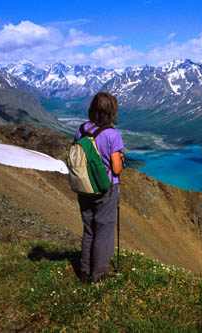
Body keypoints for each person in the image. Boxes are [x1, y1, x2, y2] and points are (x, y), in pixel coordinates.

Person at [74, 92, 124, 283]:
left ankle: (85, 271)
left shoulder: (82, 130)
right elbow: (116, 168)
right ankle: (98, 274)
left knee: (89, 229)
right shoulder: (113, 135)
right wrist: (119, 158)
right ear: (112, 111)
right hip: (106, 188)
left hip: (84, 186)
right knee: (104, 229)